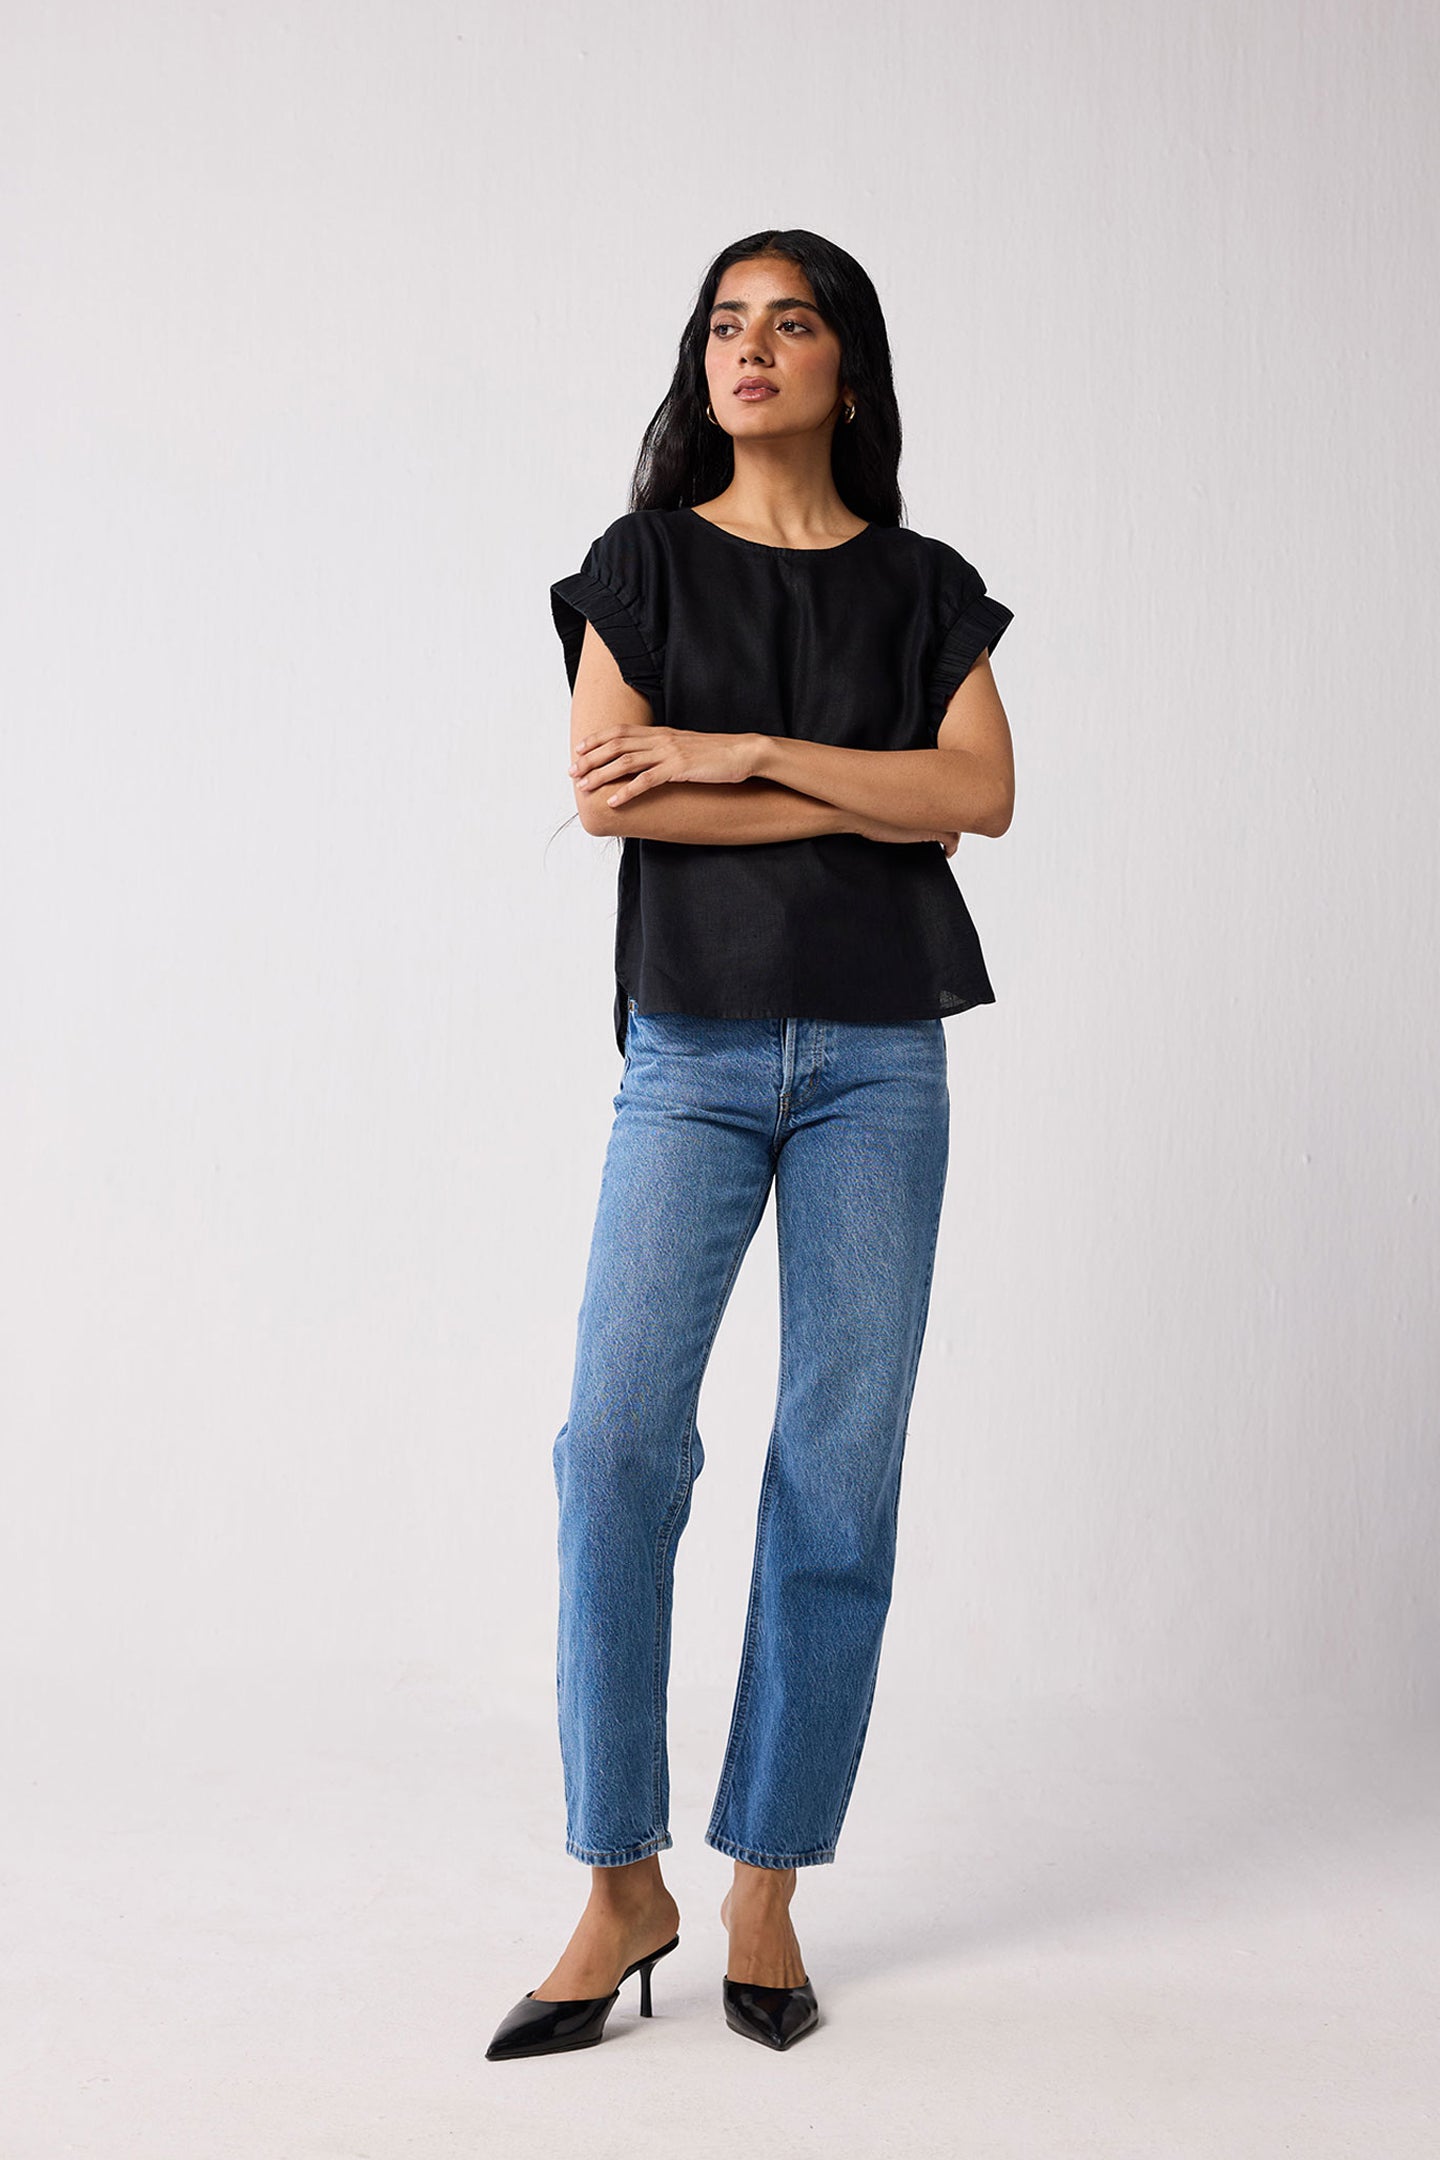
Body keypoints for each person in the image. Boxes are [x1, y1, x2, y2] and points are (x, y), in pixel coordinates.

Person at [486, 228, 1016, 2060]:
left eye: (791, 324)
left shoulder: (926, 584)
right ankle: (618, 1877)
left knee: (838, 1471)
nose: (752, 349)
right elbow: (610, 796)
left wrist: (734, 752)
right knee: (615, 1443)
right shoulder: (638, 563)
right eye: (725, 324)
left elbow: (982, 796)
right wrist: (830, 790)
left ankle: (768, 1886)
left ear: (848, 369)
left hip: (884, 1062)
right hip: (694, 1055)